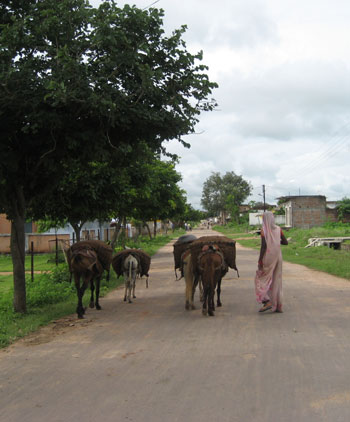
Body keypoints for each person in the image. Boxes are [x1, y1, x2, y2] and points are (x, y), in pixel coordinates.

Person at [254, 211, 288, 313]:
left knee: (261, 279)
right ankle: (277, 305)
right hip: (278, 257)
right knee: (276, 280)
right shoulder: (278, 229)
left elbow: (263, 246)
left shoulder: (264, 230)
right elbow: (286, 242)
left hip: (268, 257)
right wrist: (275, 241)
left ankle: (267, 301)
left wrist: (260, 260)